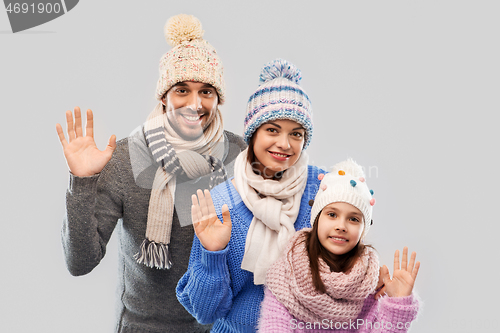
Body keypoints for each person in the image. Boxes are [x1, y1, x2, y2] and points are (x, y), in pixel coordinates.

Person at [55, 14, 246, 333]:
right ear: (164, 95)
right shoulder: (127, 158)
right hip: (141, 326)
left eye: (206, 92)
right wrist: (82, 183)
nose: (194, 103)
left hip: (222, 326)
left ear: (217, 99)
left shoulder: (239, 155)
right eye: (182, 90)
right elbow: (80, 263)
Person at [176, 59, 325, 332]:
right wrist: (213, 252)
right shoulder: (222, 203)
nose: (285, 144)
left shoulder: (322, 188)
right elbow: (205, 312)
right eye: (272, 130)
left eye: (296, 133)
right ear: (253, 133)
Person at [258, 159, 421, 332]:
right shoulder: (286, 274)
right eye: (332, 214)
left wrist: (398, 302)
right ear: (317, 219)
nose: (341, 226)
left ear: (363, 229)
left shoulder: (372, 284)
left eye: (353, 219)